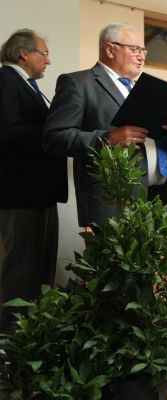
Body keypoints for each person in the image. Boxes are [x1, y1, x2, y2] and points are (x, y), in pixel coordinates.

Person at [43, 23, 167, 227]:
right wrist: (108, 139)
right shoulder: (78, 83)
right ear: (110, 49)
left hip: (157, 197)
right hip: (113, 201)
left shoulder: (144, 89)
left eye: (143, 51)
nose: (141, 57)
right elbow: (54, 137)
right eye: (135, 49)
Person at [0, 29, 67, 331]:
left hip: (39, 194)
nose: (48, 61)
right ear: (23, 53)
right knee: (20, 272)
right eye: (44, 53)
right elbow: (8, 133)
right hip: (20, 195)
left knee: (39, 271)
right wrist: (54, 132)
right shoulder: (5, 81)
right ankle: (11, 341)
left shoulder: (27, 86)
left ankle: (32, 339)